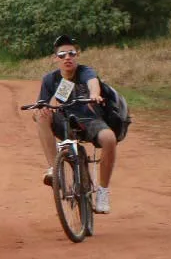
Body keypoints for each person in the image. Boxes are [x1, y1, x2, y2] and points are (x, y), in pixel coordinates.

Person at [33, 35, 117, 214]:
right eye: (62, 55)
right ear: (55, 58)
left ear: (77, 55)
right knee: (41, 116)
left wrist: (94, 94)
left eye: (71, 53)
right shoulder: (50, 79)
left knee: (109, 139)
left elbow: (93, 83)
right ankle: (54, 170)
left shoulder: (85, 72)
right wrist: (40, 111)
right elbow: (44, 103)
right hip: (64, 121)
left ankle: (103, 192)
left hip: (89, 121)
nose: (67, 58)